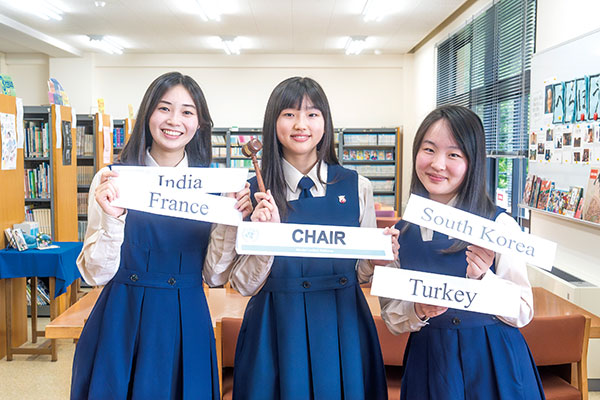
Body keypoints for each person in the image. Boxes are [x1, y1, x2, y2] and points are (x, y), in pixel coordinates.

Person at [70, 71, 251, 400]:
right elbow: (95, 274)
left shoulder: (217, 187)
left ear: (199, 123)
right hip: (121, 317)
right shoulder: (113, 179)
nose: (174, 121)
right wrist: (113, 218)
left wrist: (230, 220)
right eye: (164, 108)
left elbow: (214, 276)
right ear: (148, 114)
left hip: (186, 316)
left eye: (187, 112)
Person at [229, 77, 395, 399]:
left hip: (342, 323)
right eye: (289, 114)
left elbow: (361, 272)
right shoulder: (249, 193)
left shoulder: (357, 186)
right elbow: (242, 285)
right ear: (273, 122)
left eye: (312, 114)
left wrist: (378, 261)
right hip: (274, 326)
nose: (301, 124)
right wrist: (266, 238)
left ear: (325, 122)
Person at [380, 105, 545, 399]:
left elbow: (523, 311)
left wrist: (484, 279)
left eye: (453, 155)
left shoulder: (498, 226)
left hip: (493, 361)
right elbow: (392, 317)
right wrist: (418, 309)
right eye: (429, 150)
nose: (438, 164)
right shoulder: (400, 233)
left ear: (472, 161)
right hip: (430, 362)